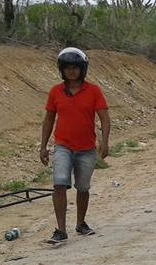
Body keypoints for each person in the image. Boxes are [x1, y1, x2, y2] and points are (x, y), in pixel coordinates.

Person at [39, 47, 110, 245]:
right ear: (62, 70)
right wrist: (43, 146)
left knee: (83, 187)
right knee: (59, 183)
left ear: (82, 69)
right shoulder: (55, 92)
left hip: (86, 148)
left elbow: (104, 118)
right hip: (63, 146)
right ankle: (61, 229)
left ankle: (81, 223)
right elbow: (48, 120)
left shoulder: (94, 91)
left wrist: (104, 142)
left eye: (75, 68)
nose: (71, 71)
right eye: (67, 68)